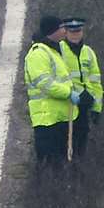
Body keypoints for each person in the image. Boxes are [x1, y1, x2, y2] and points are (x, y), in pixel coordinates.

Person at [24, 15, 80, 165]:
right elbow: (45, 84)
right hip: (46, 118)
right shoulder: (38, 54)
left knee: (61, 161)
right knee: (48, 162)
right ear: (52, 31)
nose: (64, 31)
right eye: (61, 28)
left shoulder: (54, 51)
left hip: (59, 116)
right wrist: (68, 93)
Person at [58, 16, 103, 160]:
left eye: (78, 31)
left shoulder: (88, 52)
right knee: (65, 147)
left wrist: (97, 108)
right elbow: (60, 78)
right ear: (65, 32)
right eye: (72, 32)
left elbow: (95, 81)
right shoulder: (60, 50)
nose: (75, 35)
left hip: (85, 106)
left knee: (80, 147)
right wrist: (76, 93)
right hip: (67, 106)